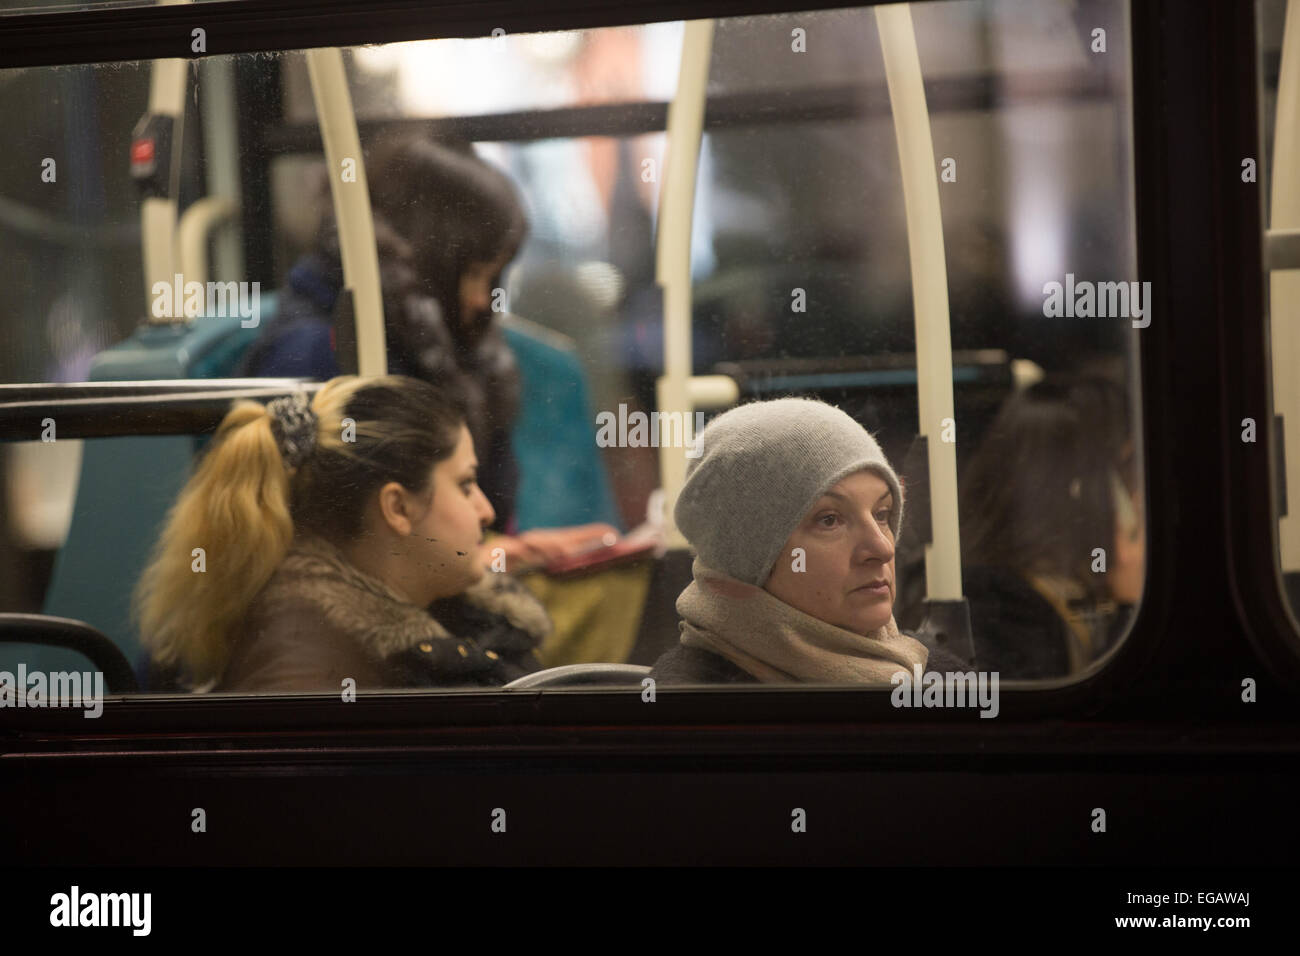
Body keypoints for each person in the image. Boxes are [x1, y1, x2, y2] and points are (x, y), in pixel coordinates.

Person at [242, 133, 615, 570]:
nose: (482, 300)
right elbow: (333, 557)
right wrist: (485, 558)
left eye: (492, 278)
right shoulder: (315, 356)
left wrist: (502, 552)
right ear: (427, 261)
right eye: (473, 274)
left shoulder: (448, 346)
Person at [134, 375, 550, 693]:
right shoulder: (309, 678)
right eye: (465, 485)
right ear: (398, 508)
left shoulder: (430, 615)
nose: (486, 510)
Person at [650, 398, 967, 684]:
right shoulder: (688, 708)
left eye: (882, 514)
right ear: (746, 557)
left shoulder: (943, 683)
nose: (883, 549)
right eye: (829, 520)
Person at [955, 377, 1143, 678]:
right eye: (1127, 470)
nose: (1138, 495)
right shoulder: (998, 610)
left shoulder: (1082, 581)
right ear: (1081, 485)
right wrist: (1130, 605)